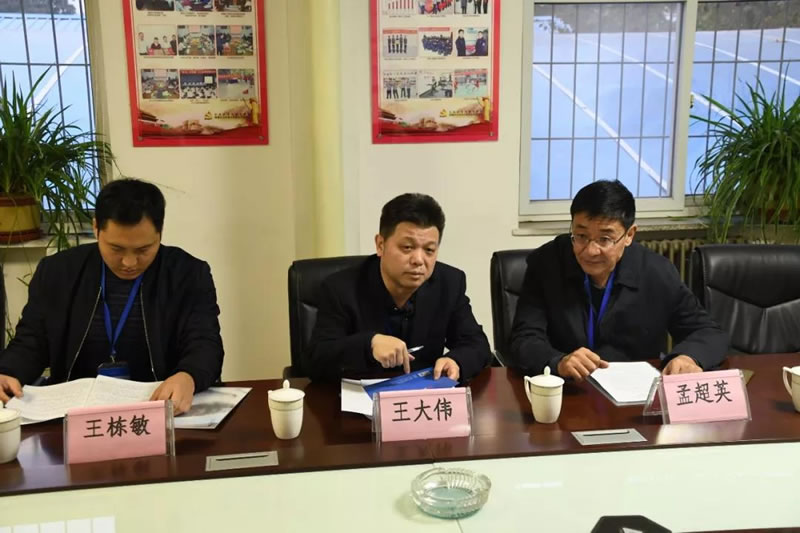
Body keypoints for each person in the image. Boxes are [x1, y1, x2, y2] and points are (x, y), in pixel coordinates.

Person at [0, 179, 224, 414]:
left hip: (158, 409)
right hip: (76, 414)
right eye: (116, 249)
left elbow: (205, 343)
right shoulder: (58, 272)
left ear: (160, 232)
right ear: (96, 228)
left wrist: (188, 376)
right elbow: (31, 342)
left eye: (143, 250)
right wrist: (7, 371)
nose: (129, 263)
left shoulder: (187, 274)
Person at [509, 180, 728, 381]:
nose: (591, 250)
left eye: (605, 239)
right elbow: (524, 339)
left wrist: (688, 357)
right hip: (567, 390)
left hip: (635, 394)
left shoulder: (655, 272)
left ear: (629, 235)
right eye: (581, 236)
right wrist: (558, 362)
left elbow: (707, 332)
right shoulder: (547, 264)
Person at [306, 193, 491, 382]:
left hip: (422, 395)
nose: (418, 260)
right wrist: (369, 344)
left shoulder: (449, 284)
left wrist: (456, 361)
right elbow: (317, 359)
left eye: (429, 250)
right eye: (407, 247)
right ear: (380, 245)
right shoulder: (341, 288)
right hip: (360, 394)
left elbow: (476, 344)